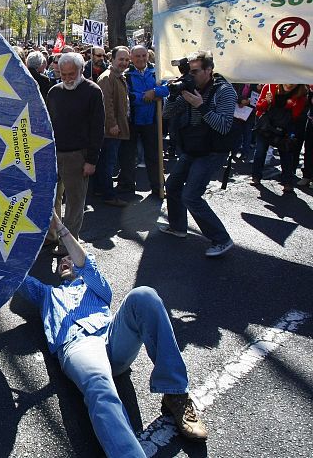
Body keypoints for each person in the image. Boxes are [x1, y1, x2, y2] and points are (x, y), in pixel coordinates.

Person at [19, 212, 207, 457]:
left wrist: (60, 228)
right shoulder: (47, 294)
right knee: (99, 385)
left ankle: (176, 394)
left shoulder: (95, 285)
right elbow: (15, 278)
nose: (65, 262)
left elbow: (85, 264)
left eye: (70, 259)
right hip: (79, 346)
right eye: (61, 262)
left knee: (144, 295)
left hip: (111, 339)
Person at [161, 50, 236, 258]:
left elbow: (224, 126)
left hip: (212, 150)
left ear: (209, 70)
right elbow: (167, 114)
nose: (191, 76)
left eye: (195, 71)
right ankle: (178, 227)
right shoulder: (190, 86)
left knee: (191, 196)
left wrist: (200, 106)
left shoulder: (224, 91)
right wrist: (174, 94)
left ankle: (221, 239)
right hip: (193, 147)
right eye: (189, 72)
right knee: (173, 186)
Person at [44, 52, 104, 255]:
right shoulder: (54, 92)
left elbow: (98, 128)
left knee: (74, 204)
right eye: (64, 74)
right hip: (53, 155)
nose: (68, 78)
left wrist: (91, 160)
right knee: (50, 200)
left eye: (72, 74)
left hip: (78, 155)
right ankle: (50, 236)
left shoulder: (93, 91)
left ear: (81, 71)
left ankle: (68, 245)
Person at [118, 46, 167, 198]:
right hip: (131, 121)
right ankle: (127, 186)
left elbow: (167, 88)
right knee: (128, 155)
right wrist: (147, 96)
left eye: (143, 55)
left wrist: (155, 92)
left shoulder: (157, 72)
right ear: (131, 57)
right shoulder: (126, 75)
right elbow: (129, 97)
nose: (141, 59)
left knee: (154, 155)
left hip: (152, 120)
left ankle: (158, 186)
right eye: (137, 56)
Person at [250, 84, 309, 194]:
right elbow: (259, 108)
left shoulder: (301, 94)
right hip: (267, 126)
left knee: (286, 154)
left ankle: (287, 182)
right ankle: (256, 177)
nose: (289, 84)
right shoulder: (270, 87)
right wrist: (266, 101)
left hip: (285, 128)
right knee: (260, 152)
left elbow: (296, 115)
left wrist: (292, 104)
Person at [94, 46, 131, 207]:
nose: (124, 62)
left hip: (116, 127)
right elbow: (105, 104)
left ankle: (101, 189)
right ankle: (108, 194)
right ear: (112, 59)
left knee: (106, 162)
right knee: (108, 163)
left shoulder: (118, 76)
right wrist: (112, 124)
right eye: (120, 59)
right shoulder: (107, 78)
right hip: (110, 130)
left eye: (126, 59)